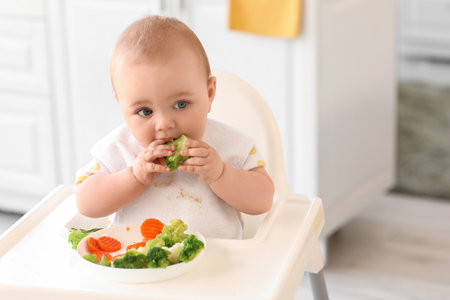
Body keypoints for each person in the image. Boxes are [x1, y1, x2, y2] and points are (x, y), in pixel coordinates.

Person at [75, 15, 274, 239]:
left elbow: (263, 199)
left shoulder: (230, 145)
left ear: (209, 94)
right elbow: (85, 203)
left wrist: (220, 174)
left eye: (181, 104)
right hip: (140, 267)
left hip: (218, 266)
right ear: (121, 106)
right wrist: (133, 176)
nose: (164, 124)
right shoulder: (118, 148)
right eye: (145, 112)